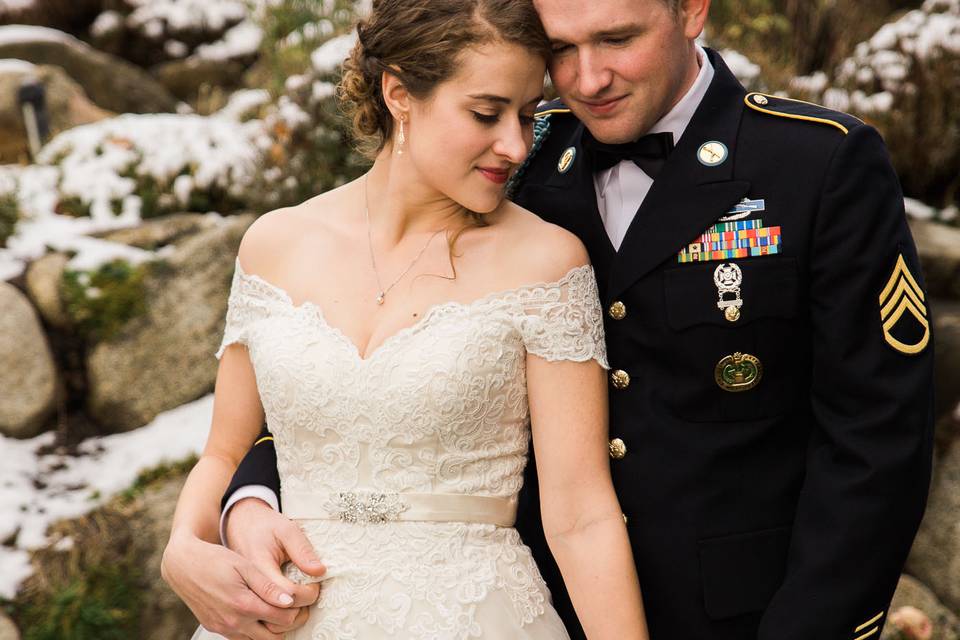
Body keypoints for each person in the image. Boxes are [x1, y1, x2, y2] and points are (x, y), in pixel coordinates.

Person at [165, 0, 936, 638]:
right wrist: (246, 503)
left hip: (748, 615)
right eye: (562, 49)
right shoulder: (519, 162)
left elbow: (876, 440)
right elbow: (344, 384)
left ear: (692, 9)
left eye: (617, 39)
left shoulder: (815, 166)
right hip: (530, 607)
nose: (588, 79)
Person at [162, 0, 651, 638]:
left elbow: (581, 515)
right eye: (486, 113)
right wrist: (183, 548)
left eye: (529, 115)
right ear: (399, 94)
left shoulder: (546, 263)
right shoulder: (273, 245)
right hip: (282, 614)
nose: (515, 144)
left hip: (472, 615)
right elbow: (226, 450)